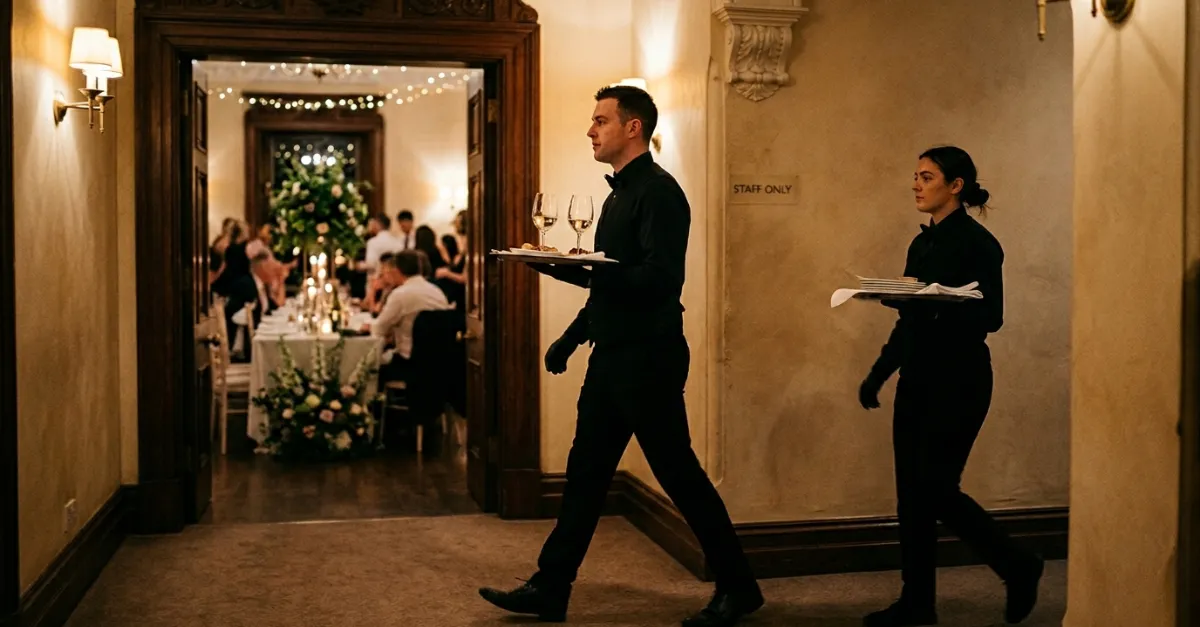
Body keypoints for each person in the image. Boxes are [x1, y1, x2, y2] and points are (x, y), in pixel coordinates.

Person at [478, 85, 761, 627]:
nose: (591, 130)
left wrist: (572, 269)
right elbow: (610, 281)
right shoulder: (614, 196)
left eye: (600, 121)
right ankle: (551, 586)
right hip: (613, 354)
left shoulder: (659, 192)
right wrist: (572, 335)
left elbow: (658, 280)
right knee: (585, 474)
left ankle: (739, 586)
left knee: (679, 475)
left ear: (634, 127)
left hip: (649, 356)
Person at [857, 146, 1044, 627]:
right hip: (918, 377)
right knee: (911, 497)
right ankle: (918, 604)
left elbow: (993, 317)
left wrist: (938, 302)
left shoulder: (979, 243)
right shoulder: (922, 245)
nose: (916, 185)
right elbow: (909, 324)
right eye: (915, 176)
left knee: (936, 489)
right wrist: (879, 373)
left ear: (955, 185)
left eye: (926, 176)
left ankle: (1017, 563)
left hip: (959, 379)